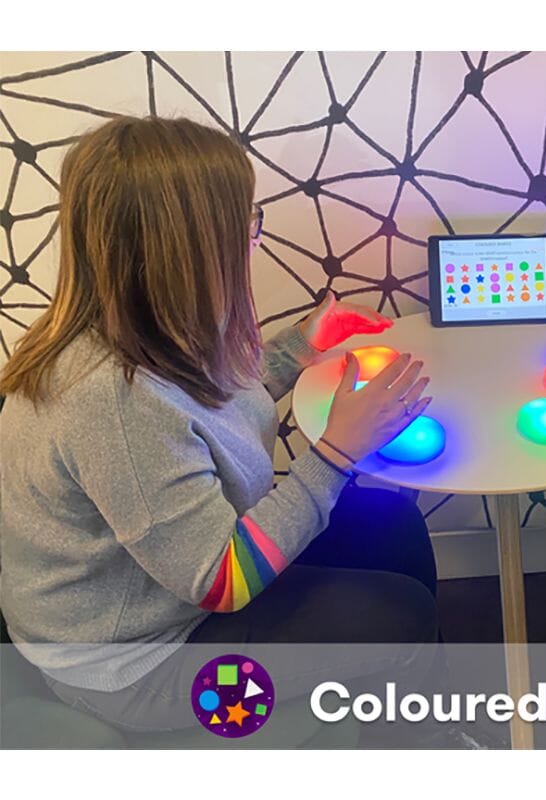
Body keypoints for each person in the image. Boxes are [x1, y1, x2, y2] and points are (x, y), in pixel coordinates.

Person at [0, 115, 442, 737]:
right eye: (247, 222)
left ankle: (401, 710)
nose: (254, 239)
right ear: (189, 246)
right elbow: (222, 580)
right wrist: (338, 452)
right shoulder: (113, 399)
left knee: (395, 526)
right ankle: (409, 737)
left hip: (169, 588)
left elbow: (204, 414)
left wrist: (302, 347)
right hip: (138, 664)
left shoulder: (142, 330)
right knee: (401, 612)